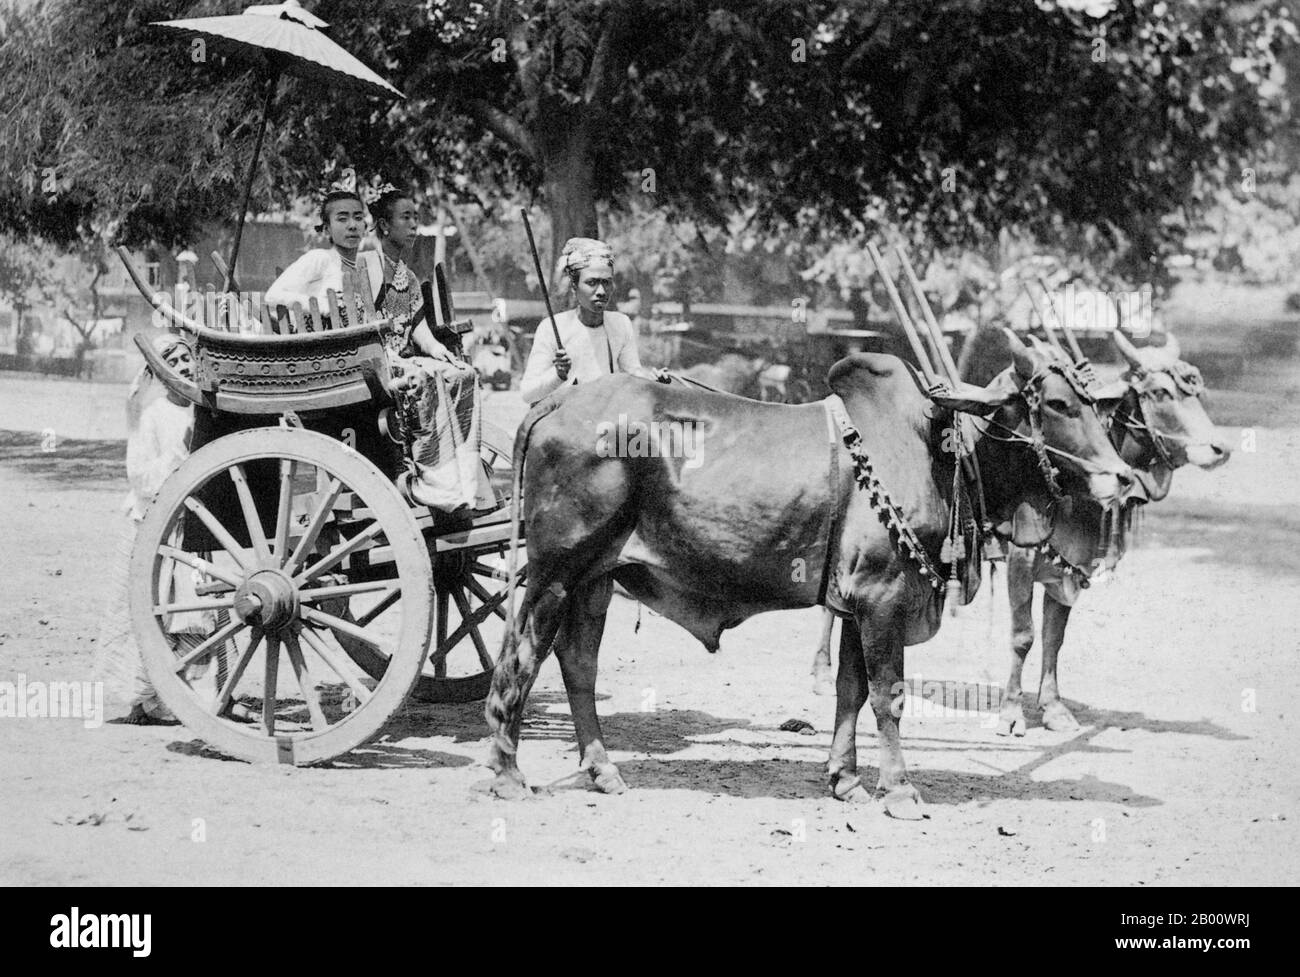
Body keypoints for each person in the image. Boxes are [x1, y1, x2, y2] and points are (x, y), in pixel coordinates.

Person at [95, 335, 251, 724]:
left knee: (198, 611)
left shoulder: (205, 414)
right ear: (158, 373)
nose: (182, 368)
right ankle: (144, 699)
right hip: (156, 525)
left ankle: (204, 696)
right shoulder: (154, 416)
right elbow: (141, 480)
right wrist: (179, 454)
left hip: (194, 526)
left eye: (187, 360)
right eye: (173, 363)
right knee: (148, 609)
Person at [367, 186, 493, 511]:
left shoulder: (406, 276)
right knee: (424, 379)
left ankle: (463, 478)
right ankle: (429, 481)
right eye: (405, 218)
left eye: (416, 218)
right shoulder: (368, 269)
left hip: (407, 358)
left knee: (462, 374)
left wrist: (438, 349)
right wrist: (393, 355)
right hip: (381, 361)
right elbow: (366, 325)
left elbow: (418, 325)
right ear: (384, 225)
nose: (413, 226)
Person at [520, 237, 665, 405]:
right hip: (562, 421)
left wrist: (652, 380)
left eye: (606, 283)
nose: (601, 291)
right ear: (574, 286)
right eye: (592, 283)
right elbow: (527, 393)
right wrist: (558, 375)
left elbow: (632, 372)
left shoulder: (621, 324)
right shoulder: (553, 328)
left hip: (606, 416)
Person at [264, 189, 377, 327]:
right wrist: (321, 306)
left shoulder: (364, 270)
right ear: (327, 228)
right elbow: (273, 295)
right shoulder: (320, 258)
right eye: (342, 219)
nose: (352, 226)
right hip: (316, 345)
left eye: (358, 218)